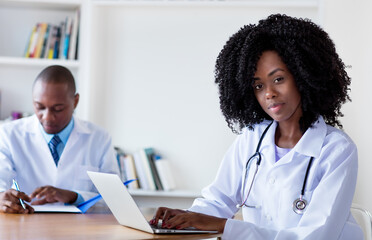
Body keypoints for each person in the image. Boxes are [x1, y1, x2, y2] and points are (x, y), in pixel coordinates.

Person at [151, 14, 363, 239]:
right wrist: (184, 219)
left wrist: (224, 226)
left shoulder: (336, 149)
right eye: (259, 85)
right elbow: (218, 200)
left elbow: (315, 235)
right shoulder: (251, 138)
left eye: (279, 79)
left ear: (303, 76)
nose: (269, 93)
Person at [0, 65, 120, 214]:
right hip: (25, 225)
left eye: (58, 109)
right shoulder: (9, 134)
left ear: (75, 101)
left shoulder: (99, 138)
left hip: (80, 230)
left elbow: (116, 199)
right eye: (39, 107)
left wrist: (73, 196)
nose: (47, 117)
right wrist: (2, 197)